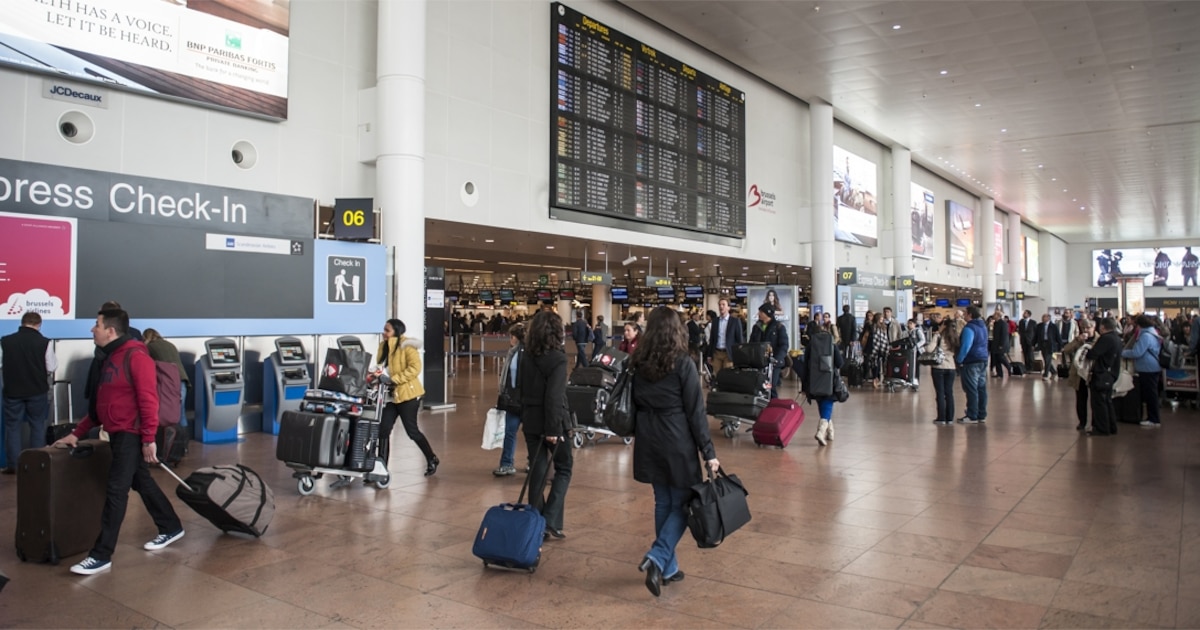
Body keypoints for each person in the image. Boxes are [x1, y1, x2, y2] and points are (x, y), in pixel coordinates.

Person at [52, 308, 184, 575]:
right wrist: (77, 433)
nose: (93, 329)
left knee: (116, 490)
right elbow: (101, 405)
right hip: (117, 431)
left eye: (97, 325)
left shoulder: (136, 356)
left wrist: (148, 439)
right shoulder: (111, 357)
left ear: (111, 330)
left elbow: (149, 400)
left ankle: (101, 554)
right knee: (141, 481)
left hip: (131, 434)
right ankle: (171, 526)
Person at [630, 306, 719, 597]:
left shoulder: (638, 361)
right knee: (683, 504)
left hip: (648, 437)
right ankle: (658, 556)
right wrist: (708, 452)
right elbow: (696, 412)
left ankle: (667, 568)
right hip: (676, 439)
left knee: (662, 502)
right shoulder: (683, 363)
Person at [519, 310, 573, 540]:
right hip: (551, 422)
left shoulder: (526, 356)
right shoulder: (558, 358)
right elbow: (554, 396)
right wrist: (553, 429)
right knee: (564, 467)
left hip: (530, 419)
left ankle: (536, 523)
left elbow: (520, 387)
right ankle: (550, 520)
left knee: (538, 471)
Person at [376, 319, 438, 477]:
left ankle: (431, 458)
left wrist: (394, 379)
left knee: (412, 431)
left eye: (387, 330)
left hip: (408, 395)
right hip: (392, 395)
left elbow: (415, 368)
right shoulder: (384, 346)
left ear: (396, 331)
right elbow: (382, 367)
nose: (384, 332)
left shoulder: (407, 346)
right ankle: (381, 468)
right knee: (383, 430)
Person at [1, 311, 57, 473]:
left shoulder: (6, 341)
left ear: (22, 322)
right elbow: (51, 367)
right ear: (39, 324)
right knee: (37, 426)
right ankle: (36, 466)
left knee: (12, 428)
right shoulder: (44, 342)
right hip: (37, 391)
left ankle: (13, 466)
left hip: (12, 391)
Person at [801, 321, 845, 446]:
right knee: (828, 402)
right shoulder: (831, 343)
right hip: (829, 380)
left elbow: (805, 366)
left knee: (822, 403)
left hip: (814, 380)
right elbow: (840, 363)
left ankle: (830, 431)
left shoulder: (811, 346)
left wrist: (804, 385)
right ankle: (821, 431)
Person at [493, 323, 525, 476]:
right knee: (510, 431)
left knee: (528, 433)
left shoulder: (526, 353)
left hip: (524, 399)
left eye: (511, 337)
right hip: (512, 398)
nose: (509, 339)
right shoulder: (512, 353)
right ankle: (506, 463)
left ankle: (532, 461)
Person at [142, 329, 190, 427]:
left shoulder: (149, 347)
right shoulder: (170, 345)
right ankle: (184, 439)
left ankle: (168, 439)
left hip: (168, 382)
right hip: (182, 379)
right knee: (181, 412)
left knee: (167, 411)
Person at [1122, 314, 1163, 428]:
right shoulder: (1152, 333)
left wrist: (1123, 353)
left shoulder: (1146, 336)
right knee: (1151, 394)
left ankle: (1154, 419)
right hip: (1150, 367)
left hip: (1148, 368)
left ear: (1140, 325)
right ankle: (1152, 418)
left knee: (1151, 395)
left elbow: (1137, 352)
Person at [1086, 318, 1122, 437]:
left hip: (1102, 374)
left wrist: (1088, 351)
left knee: (1099, 402)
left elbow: (1093, 354)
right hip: (1111, 374)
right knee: (1107, 401)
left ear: (1102, 327)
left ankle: (1102, 428)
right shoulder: (1117, 338)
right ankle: (1111, 426)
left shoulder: (1106, 338)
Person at [1061, 318, 1097, 431]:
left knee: (1095, 400)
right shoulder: (1079, 339)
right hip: (1079, 373)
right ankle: (1082, 422)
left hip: (1093, 372)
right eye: (1083, 328)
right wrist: (1077, 340)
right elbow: (1066, 350)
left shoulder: (1099, 339)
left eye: (1088, 328)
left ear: (1094, 328)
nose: (1086, 330)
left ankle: (1095, 423)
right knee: (1081, 398)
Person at [955, 306, 989, 424]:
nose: (963, 315)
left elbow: (966, 346)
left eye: (965, 313)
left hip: (971, 360)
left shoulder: (969, 328)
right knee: (981, 388)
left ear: (970, 314)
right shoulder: (983, 326)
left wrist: (959, 359)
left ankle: (972, 415)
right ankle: (981, 414)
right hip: (982, 359)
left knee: (971, 389)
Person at [925, 313, 959, 425]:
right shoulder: (954, 337)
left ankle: (941, 418)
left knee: (940, 393)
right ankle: (950, 418)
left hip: (938, 367)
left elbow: (929, 349)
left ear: (943, 326)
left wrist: (935, 336)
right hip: (951, 367)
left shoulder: (938, 336)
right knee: (949, 392)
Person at [749, 304, 789, 398]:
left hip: (773, 363)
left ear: (768, 314)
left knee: (770, 387)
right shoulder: (757, 327)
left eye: (761, 312)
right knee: (759, 386)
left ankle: (773, 407)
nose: (759, 314)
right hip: (759, 362)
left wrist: (777, 359)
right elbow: (751, 342)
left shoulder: (779, 327)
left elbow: (784, 345)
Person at [705, 298, 743, 375]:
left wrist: (739, 356)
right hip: (717, 353)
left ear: (728, 307)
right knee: (717, 375)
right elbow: (712, 339)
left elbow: (739, 340)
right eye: (719, 305)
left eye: (723, 305)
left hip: (728, 354)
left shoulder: (735, 321)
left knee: (728, 376)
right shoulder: (715, 321)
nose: (721, 307)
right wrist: (709, 355)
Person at [1032, 313, 1062, 380]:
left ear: (1048, 318)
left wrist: (1060, 345)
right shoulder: (1039, 326)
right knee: (1046, 359)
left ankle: (1046, 374)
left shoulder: (1054, 326)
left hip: (1050, 344)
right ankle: (1054, 372)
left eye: (1044, 317)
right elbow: (1036, 336)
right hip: (1042, 344)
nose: (1042, 318)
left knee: (1048, 359)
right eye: (1042, 317)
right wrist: (1033, 344)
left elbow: (1058, 336)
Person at [869, 313, 889, 388]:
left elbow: (885, 337)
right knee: (875, 364)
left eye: (882, 318)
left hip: (883, 347)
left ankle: (881, 379)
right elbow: (873, 338)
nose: (882, 319)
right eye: (880, 318)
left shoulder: (884, 327)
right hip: (875, 347)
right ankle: (875, 379)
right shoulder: (873, 326)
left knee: (882, 364)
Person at [990, 308, 1012, 378]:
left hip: (1001, 344)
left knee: (1001, 357)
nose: (993, 315)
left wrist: (1001, 344)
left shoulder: (1003, 324)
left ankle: (1009, 367)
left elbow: (1004, 335)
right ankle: (999, 373)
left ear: (998, 315)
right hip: (995, 344)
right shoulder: (996, 323)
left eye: (995, 314)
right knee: (996, 359)